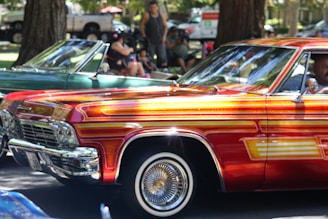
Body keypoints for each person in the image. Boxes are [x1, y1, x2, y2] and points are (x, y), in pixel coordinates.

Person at [139, 0, 168, 70]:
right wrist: (144, 35)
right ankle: (151, 69)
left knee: (162, 56)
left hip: (160, 39)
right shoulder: (147, 15)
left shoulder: (161, 15)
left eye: (154, 7)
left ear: (157, 7)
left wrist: (164, 36)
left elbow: (165, 26)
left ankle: (164, 69)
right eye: (151, 7)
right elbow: (141, 25)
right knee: (150, 56)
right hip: (150, 40)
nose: (153, 9)